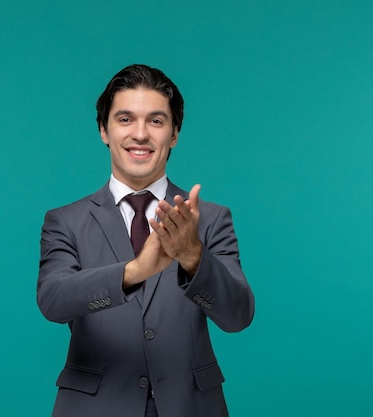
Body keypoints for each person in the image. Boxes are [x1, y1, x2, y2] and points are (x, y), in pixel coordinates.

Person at [37, 64, 254, 417]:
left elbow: (238, 316)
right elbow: (54, 301)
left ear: (174, 134)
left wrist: (193, 256)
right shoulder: (65, 221)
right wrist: (134, 271)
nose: (140, 134)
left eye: (156, 121)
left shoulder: (210, 218)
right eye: (125, 119)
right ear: (103, 130)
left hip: (191, 407)